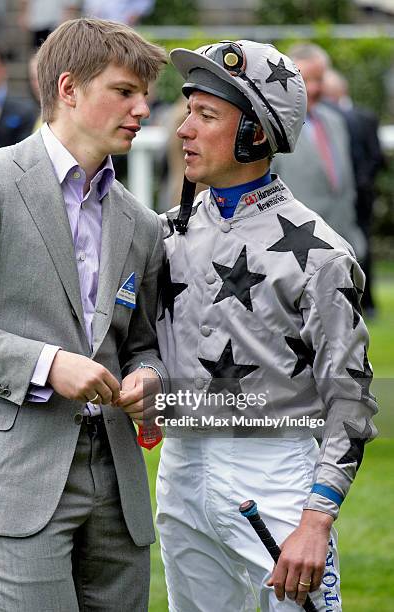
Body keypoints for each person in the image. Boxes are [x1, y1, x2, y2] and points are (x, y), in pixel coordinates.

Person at [0, 18, 167, 611]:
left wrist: (148, 377)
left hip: (118, 486)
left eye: (144, 96)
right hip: (15, 473)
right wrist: (46, 365)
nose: (143, 110)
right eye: (125, 92)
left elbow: (143, 344)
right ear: (69, 89)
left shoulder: (142, 224)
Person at [155, 40, 377, 611]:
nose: (184, 130)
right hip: (180, 471)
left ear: (257, 132)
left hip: (276, 475)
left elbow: (350, 403)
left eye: (206, 116)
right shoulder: (164, 233)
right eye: (188, 112)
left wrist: (316, 520)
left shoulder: (323, 254)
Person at [272, 43, 366, 264]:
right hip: (295, 255)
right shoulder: (273, 129)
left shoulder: (336, 122)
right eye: (307, 80)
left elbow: (345, 187)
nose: (314, 88)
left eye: (319, 79)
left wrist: (356, 240)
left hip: (343, 247)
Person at [322, 68, 384, 317]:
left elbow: (375, 155)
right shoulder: (323, 118)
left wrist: (362, 182)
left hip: (360, 194)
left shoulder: (363, 116)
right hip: (331, 196)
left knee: (362, 245)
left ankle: (365, 300)